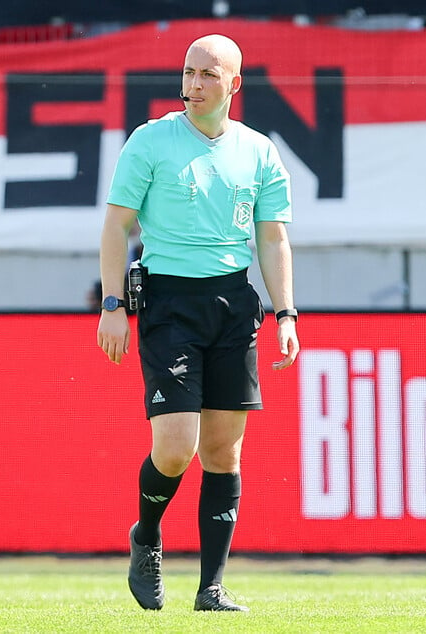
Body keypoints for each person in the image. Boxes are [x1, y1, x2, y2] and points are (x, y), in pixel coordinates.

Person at [96, 34, 299, 612]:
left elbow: (273, 237)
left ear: (234, 85)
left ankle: (211, 588)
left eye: (209, 75)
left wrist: (286, 312)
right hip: (169, 303)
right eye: (188, 72)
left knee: (223, 451)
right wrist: (113, 306)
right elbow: (116, 228)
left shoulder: (259, 151)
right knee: (176, 446)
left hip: (234, 305)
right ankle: (148, 536)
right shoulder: (151, 141)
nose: (194, 84)